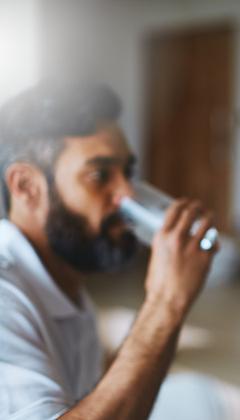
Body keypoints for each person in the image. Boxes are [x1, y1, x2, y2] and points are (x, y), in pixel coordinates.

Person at [0, 81, 222, 419]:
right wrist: (165, 303)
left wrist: (170, 308)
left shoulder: (70, 291)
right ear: (26, 187)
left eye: (127, 172)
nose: (127, 194)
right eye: (100, 175)